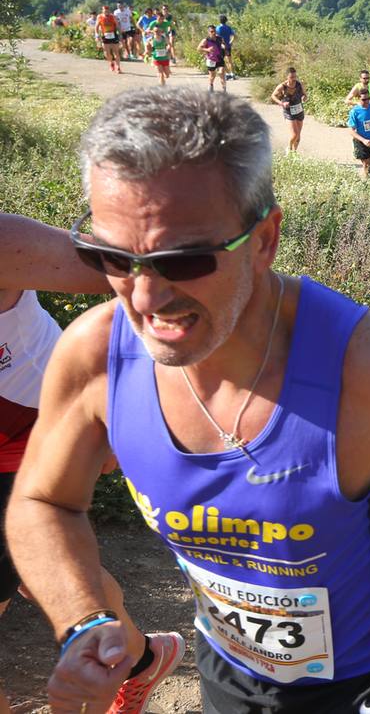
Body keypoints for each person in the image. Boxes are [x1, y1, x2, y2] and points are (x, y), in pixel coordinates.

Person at [7, 89, 370, 712]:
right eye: (114, 257)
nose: (145, 299)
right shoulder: (96, 353)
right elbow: (43, 499)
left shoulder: (366, 360)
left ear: (265, 239)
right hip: (229, 667)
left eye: (184, 260)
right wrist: (84, 619)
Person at [0, 214, 186, 714]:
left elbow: (145, 273)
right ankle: (141, 658)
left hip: (33, 434)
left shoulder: (3, 242)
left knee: (41, 556)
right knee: (38, 569)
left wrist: (117, 402)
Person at [198, 26, 227, 94]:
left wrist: (223, 46)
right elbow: (199, 48)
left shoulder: (219, 38)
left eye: (214, 31)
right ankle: (210, 86)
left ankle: (224, 91)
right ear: (208, 32)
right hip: (211, 59)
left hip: (220, 58)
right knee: (212, 76)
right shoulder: (206, 40)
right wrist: (207, 49)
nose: (213, 33)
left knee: (221, 73)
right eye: (211, 31)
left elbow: (223, 44)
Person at [96, 6, 122, 74]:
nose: (106, 12)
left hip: (113, 35)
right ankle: (111, 63)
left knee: (116, 52)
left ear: (109, 11)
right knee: (107, 53)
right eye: (105, 10)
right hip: (105, 35)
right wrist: (97, 35)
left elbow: (117, 25)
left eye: (107, 10)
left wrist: (120, 34)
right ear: (102, 11)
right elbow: (97, 26)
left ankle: (118, 67)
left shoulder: (113, 16)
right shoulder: (100, 17)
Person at [216, 15, 236, 80]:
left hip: (221, 46)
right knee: (229, 60)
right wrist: (231, 42)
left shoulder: (218, 28)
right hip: (228, 46)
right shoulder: (229, 28)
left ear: (219, 20)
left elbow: (216, 37)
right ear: (226, 20)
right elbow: (234, 35)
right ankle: (232, 74)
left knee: (221, 61)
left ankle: (227, 74)